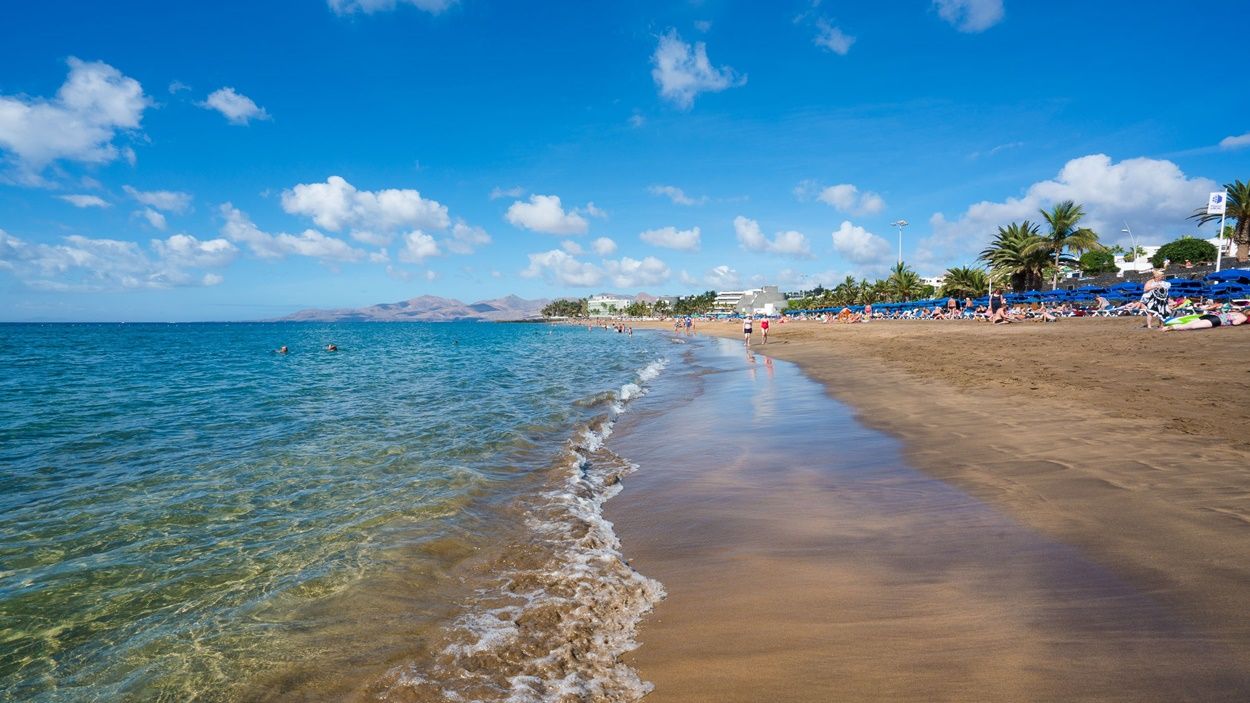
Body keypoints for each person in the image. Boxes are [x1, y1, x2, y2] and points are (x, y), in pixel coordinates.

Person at [1164, 310, 1247, 331]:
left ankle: (1169, 327)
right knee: (1191, 326)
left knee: (1189, 323)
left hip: (1211, 315)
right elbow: (1235, 323)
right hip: (1216, 320)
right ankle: (1172, 328)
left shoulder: (1237, 312)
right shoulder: (1244, 317)